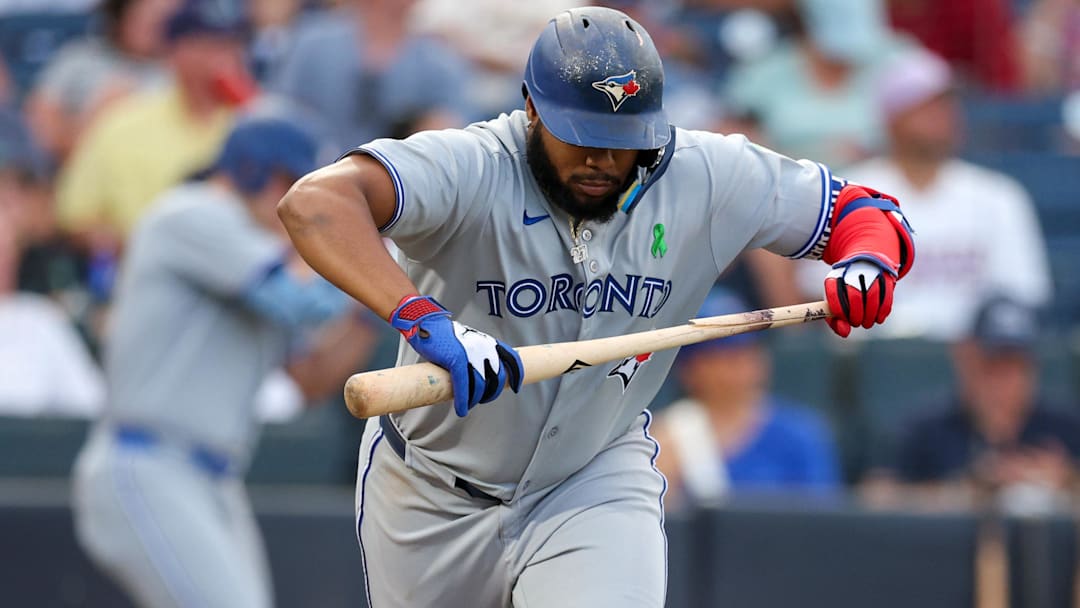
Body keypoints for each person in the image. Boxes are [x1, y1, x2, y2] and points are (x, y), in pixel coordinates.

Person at [277, 7, 915, 606]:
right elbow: (316, 205)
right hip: (430, 493)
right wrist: (423, 319)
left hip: (590, 477)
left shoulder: (706, 173)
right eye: (579, 136)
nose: (601, 160)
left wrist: (866, 264)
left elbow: (865, 213)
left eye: (622, 139)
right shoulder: (470, 162)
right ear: (531, 109)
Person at [71, 116, 375, 608]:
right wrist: (384, 272)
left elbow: (310, 378)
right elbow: (304, 301)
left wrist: (379, 312)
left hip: (211, 477)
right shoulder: (193, 214)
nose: (302, 207)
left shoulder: (254, 257)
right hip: (147, 461)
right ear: (254, 172)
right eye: (291, 183)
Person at [797, 47, 1052, 341]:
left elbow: (1020, 293)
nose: (943, 116)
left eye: (947, 105)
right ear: (892, 118)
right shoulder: (847, 193)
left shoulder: (998, 196)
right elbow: (818, 294)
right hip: (875, 361)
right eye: (926, 106)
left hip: (975, 358)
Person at [53, 0, 255, 285]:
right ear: (176, 51)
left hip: (244, 281)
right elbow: (74, 215)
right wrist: (139, 247)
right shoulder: (123, 123)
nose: (224, 59)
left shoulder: (256, 121)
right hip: (146, 281)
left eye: (232, 45)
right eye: (208, 46)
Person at [867, 295, 1080, 513]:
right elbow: (876, 496)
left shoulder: (1066, 426)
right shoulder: (927, 429)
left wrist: (1065, 482)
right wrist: (969, 489)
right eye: (993, 366)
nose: (1005, 382)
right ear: (966, 361)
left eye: (1016, 367)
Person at [651, 287, 841, 510]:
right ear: (690, 368)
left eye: (748, 349)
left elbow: (823, 523)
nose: (742, 363)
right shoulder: (661, 439)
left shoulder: (800, 435)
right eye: (722, 355)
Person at [24, 0, 177, 162]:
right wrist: (95, 122)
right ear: (120, 14)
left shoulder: (180, 71)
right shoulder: (78, 59)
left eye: (162, 19)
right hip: (80, 165)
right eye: (144, 17)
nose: (153, 26)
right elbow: (39, 131)